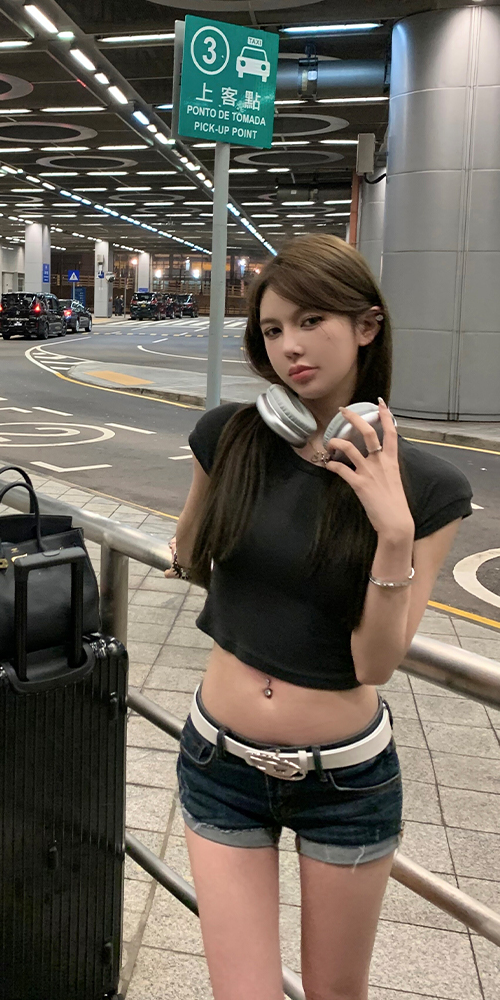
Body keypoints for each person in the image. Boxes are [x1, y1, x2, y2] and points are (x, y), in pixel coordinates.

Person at [167, 235, 473, 1000]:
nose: (290, 348)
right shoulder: (227, 438)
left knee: (337, 993)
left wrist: (392, 532)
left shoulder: (431, 489)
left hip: (346, 783)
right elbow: (189, 550)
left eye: (311, 322)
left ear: (366, 326)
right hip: (219, 763)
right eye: (273, 330)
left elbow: (374, 664)